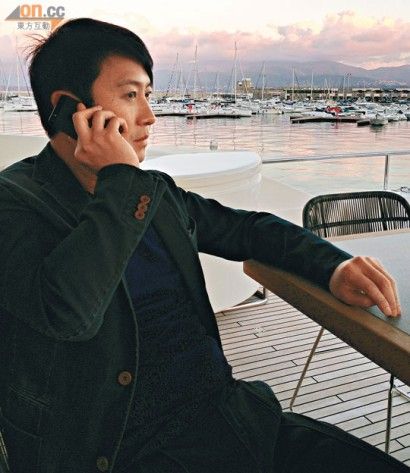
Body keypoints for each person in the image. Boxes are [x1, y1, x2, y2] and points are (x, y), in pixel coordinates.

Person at [0, 18, 407, 473]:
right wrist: (120, 181)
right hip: (123, 454)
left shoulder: (153, 193)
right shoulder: (15, 205)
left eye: (148, 95)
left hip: (233, 423)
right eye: (131, 95)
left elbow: (246, 228)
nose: (149, 116)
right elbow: (67, 312)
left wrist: (333, 266)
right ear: (68, 108)